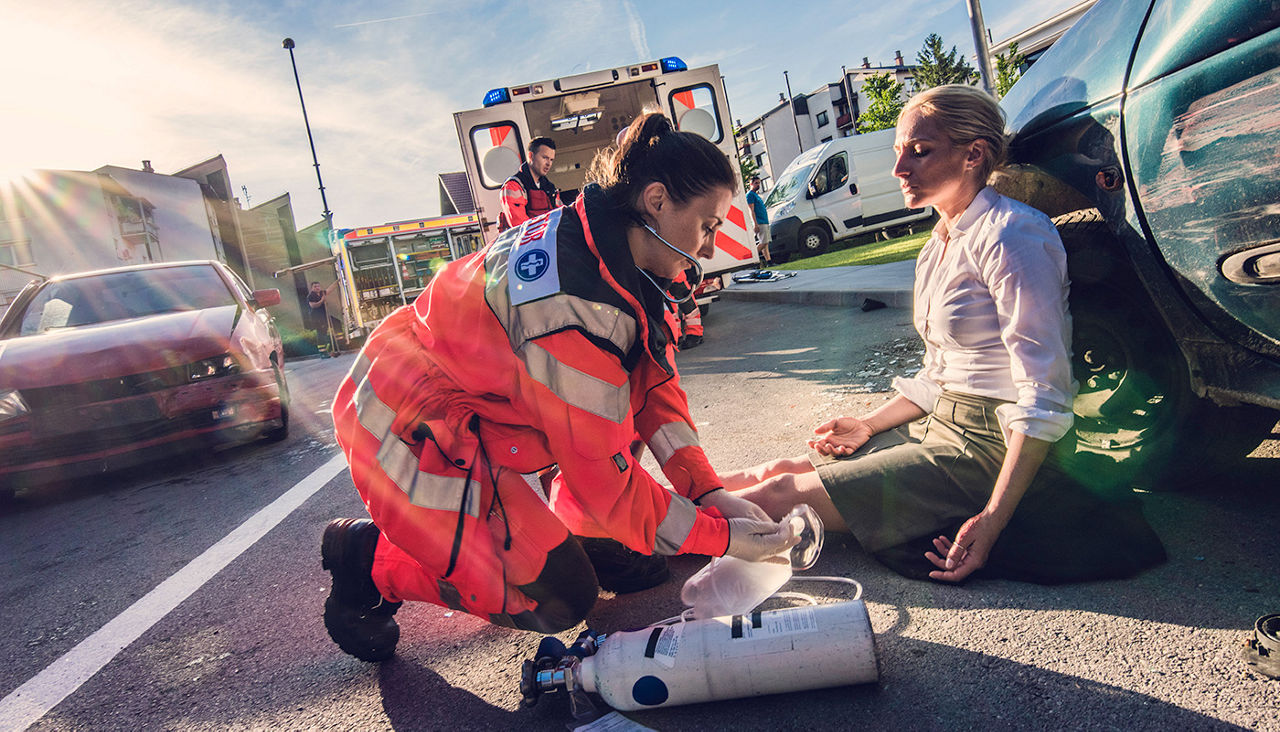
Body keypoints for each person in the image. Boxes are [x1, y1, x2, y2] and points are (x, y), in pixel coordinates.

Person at [323, 112, 799, 662]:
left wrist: (707, 491)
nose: (710, 248)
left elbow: (653, 387)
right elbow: (610, 482)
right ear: (657, 200)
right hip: (408, 420)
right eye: (708, 226)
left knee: (624, 480)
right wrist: (722, 538)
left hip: (478, 399)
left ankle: (590, 534)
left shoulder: (614, 249)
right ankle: (370, 560)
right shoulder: (572, 306)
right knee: (557, 600)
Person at [721, 85, 1163, 584]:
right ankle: (632, 516)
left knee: (776, 497)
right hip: (938, 419)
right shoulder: (940, 243)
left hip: (989, 446)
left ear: (974, 154)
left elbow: (1046, 394)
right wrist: (870, 423)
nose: (899, 169)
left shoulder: (1013, 234)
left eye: (920, 151)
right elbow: (940, 372)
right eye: (898, 153)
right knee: (773, 471)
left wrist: (994, 519)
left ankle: (631, 537)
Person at [497, 137, 560, 232]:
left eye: (551, 160)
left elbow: (560, 215)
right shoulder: (513, 186)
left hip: (548, 238)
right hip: (526, 243)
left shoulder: (550, 187)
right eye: (545, 158)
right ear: (531, 156)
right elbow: (520, 226)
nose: (549, 164)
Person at [307, 280, 338, 357]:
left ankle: (340, 343)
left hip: (324, 315)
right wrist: (321, 301)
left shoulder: (322, 293)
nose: (317, 288)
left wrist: (337, 282)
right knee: (321, 333)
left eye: (318, 286)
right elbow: (313, 306)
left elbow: (329, 289)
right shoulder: (311, 296)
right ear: (312, 288)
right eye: (315, 286)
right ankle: (322, 352)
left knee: (337, 323)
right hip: (317, 317)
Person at [746, 175, 770, 264]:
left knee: (765, 243)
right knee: (763, 242)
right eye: (756, 183)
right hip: (759, 222)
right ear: (751, 184)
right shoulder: (750, 195)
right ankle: (751, 258)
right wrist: (755, 224)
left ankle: (769, 261)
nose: (758, 185)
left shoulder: (756, 195)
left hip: (764, 221)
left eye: (759, 183)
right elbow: (751, 210)